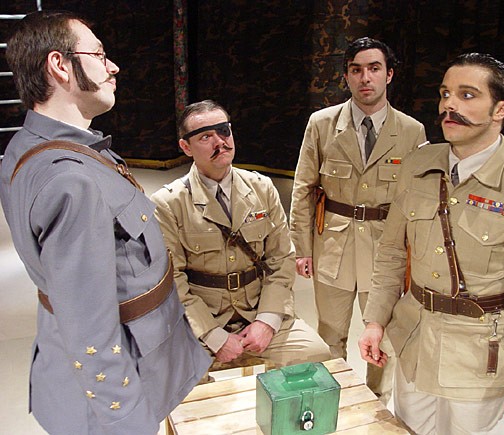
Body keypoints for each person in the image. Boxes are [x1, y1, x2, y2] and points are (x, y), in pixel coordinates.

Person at [0, 11, 211, 435]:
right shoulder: (72, 180)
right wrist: (128, 423)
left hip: (82, 359)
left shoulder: (26, 147)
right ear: (60, 65)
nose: (112, 67)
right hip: (123, 383)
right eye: (98, 55)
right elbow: (91, 332)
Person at [359, 53, 504, 434]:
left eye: (467, 95)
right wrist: (376, 320)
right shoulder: (417, 165)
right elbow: (391, 252)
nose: (449, 105)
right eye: (445, 94)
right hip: (414, 344)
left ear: (500, 109)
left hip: (480, 362)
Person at [289, 37, 426, 403]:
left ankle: (377, 402)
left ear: (389, 74)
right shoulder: (322, 124)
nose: (366, 78)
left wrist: (416, 257)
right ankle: (330, 401)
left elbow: (418, 201)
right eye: (356, 70)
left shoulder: (411, 131)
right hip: (332, 245)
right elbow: (304, 188)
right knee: (330, 333)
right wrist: (302, 248)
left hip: (385, 250)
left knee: (383, 335)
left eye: (374, 68)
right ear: (347, 76)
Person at [151, 100, 330, 368]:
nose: (219, 142)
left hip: (257, 310)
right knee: (178, 376)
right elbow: (172, 281)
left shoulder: (261, 188)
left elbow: (281, 260)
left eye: (224, 131)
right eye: (205, 137)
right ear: (186, 147)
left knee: (315, 354)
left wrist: (267, 321)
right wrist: (213, 336)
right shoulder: (168, 203)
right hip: (203, 322)